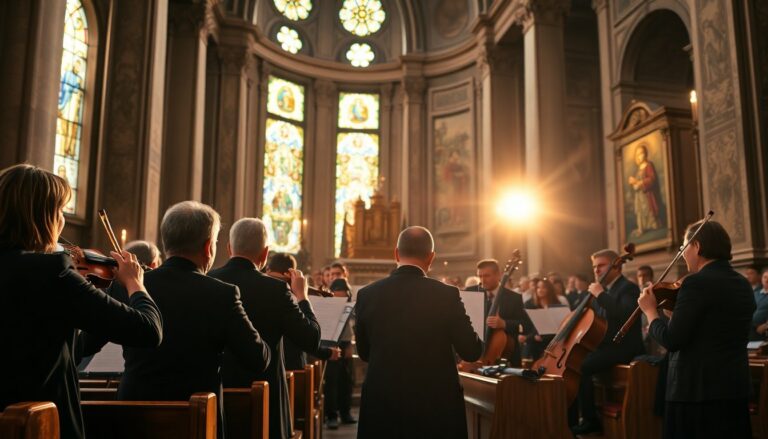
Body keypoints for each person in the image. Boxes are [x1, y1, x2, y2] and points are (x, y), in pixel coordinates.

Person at [79, 201, 270, 438]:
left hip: (136, 419)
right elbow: (258, 359)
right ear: (208, 247)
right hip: (196, 421)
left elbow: (84, 346)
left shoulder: (127, 286)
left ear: (166, 241)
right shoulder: (222, 294)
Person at [0, 164, 163, 439]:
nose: (62, 221)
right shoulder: (51, 272)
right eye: (60, 212)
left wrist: (88, 304)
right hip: (40, 425)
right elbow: (148, 329)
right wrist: (135, 282)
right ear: (44, 217)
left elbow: (68, 351)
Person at [354, 226, 482, 438]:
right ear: (431, 257)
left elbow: (365, 353)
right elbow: (471, 351)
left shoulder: (367, 294)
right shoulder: (446, 295)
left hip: (383, 406)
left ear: (396, 254)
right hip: (435, 409)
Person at [638, 220, 755, 438]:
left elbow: (672, 340)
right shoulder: (742, 283)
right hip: (734, 388)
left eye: (684, 247)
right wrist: (675, 316)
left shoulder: (695, 283)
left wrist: (650, 312)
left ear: (697, 246)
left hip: (696, 393)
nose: (682, 253)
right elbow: (713, 327)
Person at [208, 218, 321, 439]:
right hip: (267, 397)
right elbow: (311, 339)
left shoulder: (209, 281)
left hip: (218, 398)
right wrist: (302, 297)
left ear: (229, 248)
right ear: (265, 254)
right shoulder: (276, 290)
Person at [571, 249, 645, 435]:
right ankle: (571, 420)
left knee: (582, 366)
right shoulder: (601, 291)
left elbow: (625, 314)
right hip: (604, 347)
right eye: (594, 267)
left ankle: (590, 420)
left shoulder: (628, 288)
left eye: (601, 265)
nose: (596, 270)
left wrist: (601, 295)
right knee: (572, 361)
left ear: (617, 266)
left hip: (623, 347)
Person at [465, 259, 533, 367]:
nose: (482, 280)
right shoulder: (471, 292)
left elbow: (526, 325)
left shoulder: (514, 298)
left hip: (506, 359)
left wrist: (504, 323)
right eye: (480, 276)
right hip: (475, 354)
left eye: (487, 276)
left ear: (498, 275)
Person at [520, 279, 567, 361]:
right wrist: (533, 337)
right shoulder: (529, 304)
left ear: (549, 290)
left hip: (552, 341)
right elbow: (526, 325)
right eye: (538, 287)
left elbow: (561, 324)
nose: (540, 290)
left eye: (543, 287)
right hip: (534, 340)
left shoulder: (557, 304)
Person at [751, 268, 768, 341]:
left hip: (763, 331)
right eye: (765, 277)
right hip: (751, 331)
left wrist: (766, 325)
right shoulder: (755, 294)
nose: (767, 280)